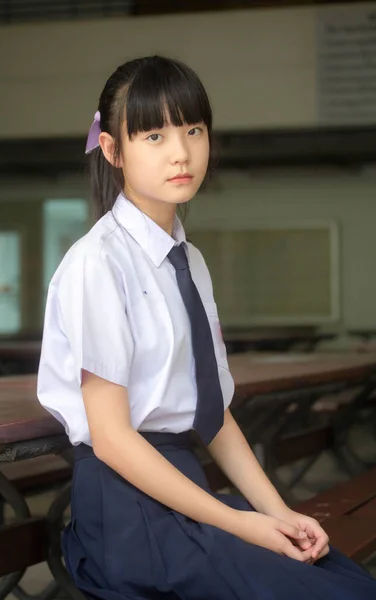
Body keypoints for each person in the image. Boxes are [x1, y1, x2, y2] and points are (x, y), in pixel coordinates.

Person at [37, 56, 376, 599]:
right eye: (154, 135)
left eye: (193, 129)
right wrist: (240, 523)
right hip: (126, 507)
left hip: (183, 489)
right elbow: (113, 440)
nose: (181, 152)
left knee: (342, 577)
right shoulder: (97, 263)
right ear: (112, 150)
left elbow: (213, 416)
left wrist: (280, 513)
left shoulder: (187, 260)